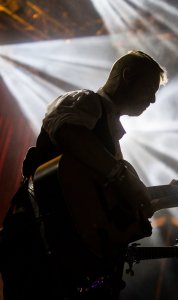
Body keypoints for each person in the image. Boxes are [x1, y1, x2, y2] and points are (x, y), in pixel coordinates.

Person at [0, 50, 168, 300]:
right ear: (128, 75)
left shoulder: (110, 139)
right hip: (36, 244)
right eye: (150, 89)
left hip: (60, 254)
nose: (153, 100)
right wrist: (122, 176)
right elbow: (67, 131)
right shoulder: (86, 101)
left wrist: (144, 202)